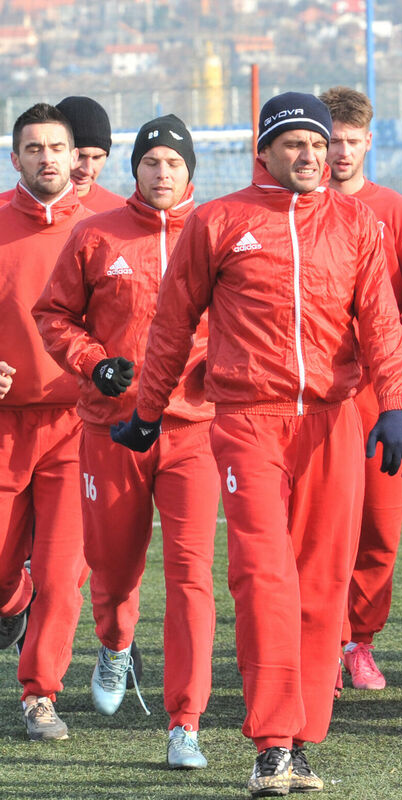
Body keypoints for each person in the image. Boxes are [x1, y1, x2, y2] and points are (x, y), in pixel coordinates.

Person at [112, 92, 402, 796]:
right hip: (248, 420)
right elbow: (172, 323)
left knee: (322, 584)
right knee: (262, 577)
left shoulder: (358, 223)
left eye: (319, 144)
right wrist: (149, 412)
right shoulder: (220, 221)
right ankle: (272, 743)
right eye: (295, 145)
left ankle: (303, 740)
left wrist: (395, 407)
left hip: (333, 423)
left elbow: (380, 323)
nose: (311, 156)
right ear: (265, 152)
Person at [33, 114, 218, 768]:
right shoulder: (96, 233)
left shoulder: (217, 233)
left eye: (174, 163)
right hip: (112, 429)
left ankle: (186, 722)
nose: (162, 173)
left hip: (194, 428)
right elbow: (54, 314)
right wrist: (93, 363)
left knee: (192, 574)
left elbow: (245, 316)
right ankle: (114, 646)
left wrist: (218, 367)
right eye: (151, 162)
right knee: (112, 567)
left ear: (190, 171)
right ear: (134, 169)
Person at [319, 86, 402, 691]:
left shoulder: (393, 210)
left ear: (369, 141)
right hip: (320, 396)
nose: (340, 152)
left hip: (382, 400)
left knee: (381, 527)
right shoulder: (299, 210)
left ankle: (360, 642)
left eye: (351, 141)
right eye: (332, 141)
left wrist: (395, 375)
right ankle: (325, 641)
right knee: (323, 525)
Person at [0, 103, 94, 741]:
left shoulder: (100, 229)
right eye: (33, 148)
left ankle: (40, 694)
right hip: (4, 426)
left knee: (62, 576)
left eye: (56, 147)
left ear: (73, 156)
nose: (46, 158)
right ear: (16, 159)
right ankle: (13, 601)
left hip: (77, 427)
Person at [56, 96, 125, 213]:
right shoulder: (22, 209)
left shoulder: (121, 211)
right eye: (79, 156)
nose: (87, 170)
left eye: (97, 157)